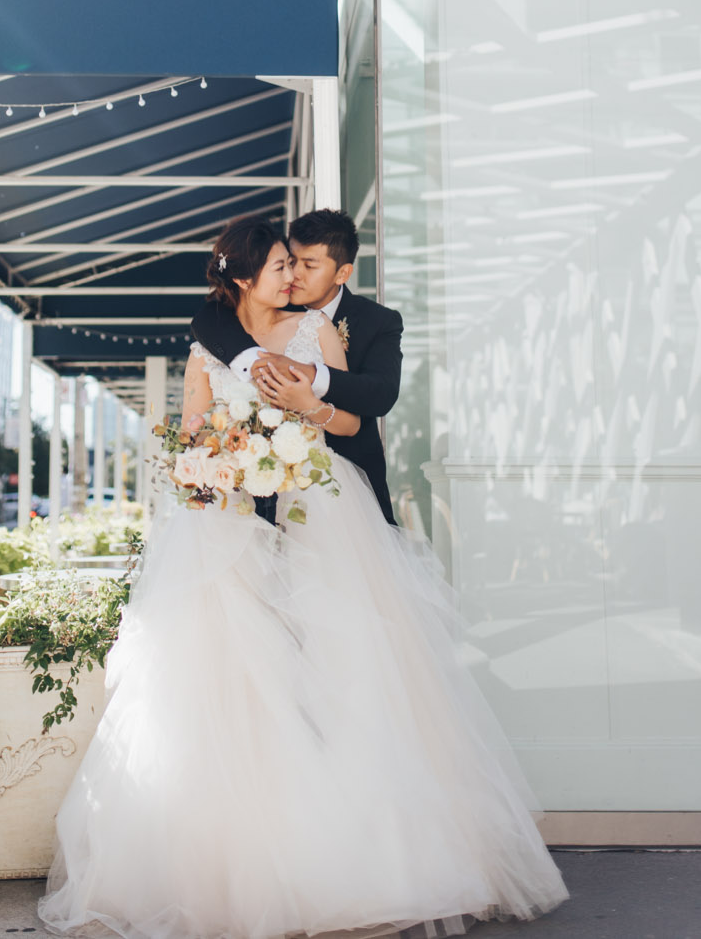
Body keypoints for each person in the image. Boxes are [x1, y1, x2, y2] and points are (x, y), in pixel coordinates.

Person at [40, 217, 568, 938]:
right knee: (230, 675)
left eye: (301, 264)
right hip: (229, 518)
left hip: (322, 507)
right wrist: (212, 465)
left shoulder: (322, 330)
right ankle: (236, 853)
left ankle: (365, 845)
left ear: (336, 270)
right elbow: (192, 429)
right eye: (282, 265)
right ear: (244, 276)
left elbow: (354, 422)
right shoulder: (210, 339)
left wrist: (307, 409)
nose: (293, 276)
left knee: (345, 661)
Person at [190, 208, 400, 526]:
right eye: (289, 262)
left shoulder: (376, 322)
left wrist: (309, 381)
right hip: (241, 495)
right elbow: (208, 317)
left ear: (342, 274)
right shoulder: (264, 301)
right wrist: (254, 364)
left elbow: (380, 394)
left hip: (336, 494)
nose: (293, 275)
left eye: (308, 265)